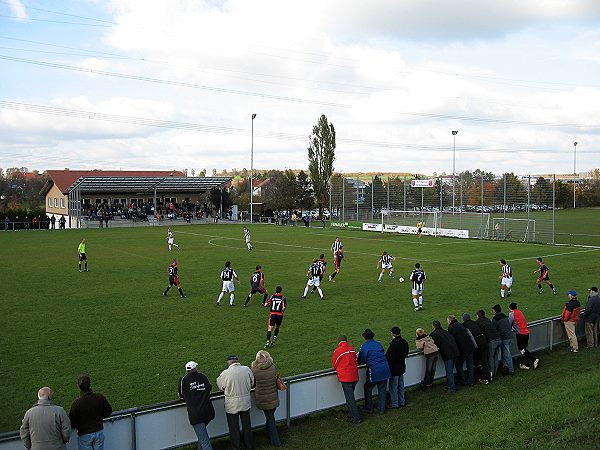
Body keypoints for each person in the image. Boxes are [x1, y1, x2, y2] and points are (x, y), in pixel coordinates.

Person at [216, 355, 254, 450]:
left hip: (232, 405)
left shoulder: (225, 373)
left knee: (234, 429)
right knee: (247, 427)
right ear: (237, 361)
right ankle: (249, 446)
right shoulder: (246, 369)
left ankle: (236, 447)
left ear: (228, 362)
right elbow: (252, 383)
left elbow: (220, 386)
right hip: (245, 402)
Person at [69, 374, 112, 450]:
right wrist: (98, 418)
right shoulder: (99, 397)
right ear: (90, 384)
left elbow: (72, 422)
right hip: (98, 431)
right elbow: (108, 411)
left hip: (84, 434)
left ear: (79, 387)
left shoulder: (76, 404)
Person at [178, 361, 215, 450]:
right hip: (208, 412)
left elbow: (181, 395)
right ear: (195, 368)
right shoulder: (203, 377)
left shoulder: (183, 380)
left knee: (204, 441)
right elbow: (209, 388)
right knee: (202, 438)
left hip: (195, 414)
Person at [251, 351, 282, 446]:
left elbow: (253, 383)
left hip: (262, 398)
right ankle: (271, 436)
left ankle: (275, 440)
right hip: (273, 397)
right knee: (270, 417)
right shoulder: (273, 367)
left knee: (270, 418)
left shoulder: (254, 370)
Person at [357, 329, 391, 414]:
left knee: (367, 388)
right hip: (385, 369)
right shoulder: (378, 344)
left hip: (375, 371)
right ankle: (381, 409)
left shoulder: (365, 346)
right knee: (382, 389)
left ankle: (369, 407)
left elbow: (361, 359)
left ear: (364, 338)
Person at [332, 336, 361, 424]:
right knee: (350, 397)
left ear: (339, 341)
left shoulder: (338, 351)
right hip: (354, 375)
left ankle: (356, 417)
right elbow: (356, 360)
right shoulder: (351, 348)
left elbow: (335, 363)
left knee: (350, 398)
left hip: (346, 377)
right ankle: (351, 414)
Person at [430, 320, 460, 393]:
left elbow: (436, 345)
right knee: (450, 370)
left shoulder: (435, 334)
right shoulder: (445, 331)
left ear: (433, 326)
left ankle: (451, 388)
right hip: (455, 351)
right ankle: (451, 385)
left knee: (449, 371)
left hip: (448, 354)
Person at [508, 303, 539, 370]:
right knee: (523, 349)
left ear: (510, 308)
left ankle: (534, 359)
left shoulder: (511, 314)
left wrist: (512, 329)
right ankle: (526, 364)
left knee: (522, 349)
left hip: (520, 334)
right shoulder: (519, 312)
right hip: (526, 332)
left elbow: (509, 324)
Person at [447, 315, 475, 386]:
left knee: (459, 365)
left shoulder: (451, 327)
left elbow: (452, 340)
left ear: (450, 320)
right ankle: (471, 381)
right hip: (470, 346)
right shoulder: (460, 324)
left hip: (463, 349)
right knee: (470, 365)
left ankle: (463, 381)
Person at [385, 326, 409, 408]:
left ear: (392, 333)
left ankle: (394, 404)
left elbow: (390, 357)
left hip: (394, 368)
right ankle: (402, 401)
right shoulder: (404, 342)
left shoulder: (394, 344)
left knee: (393, 386)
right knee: (401, 385)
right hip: (401, 367)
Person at [462, 313, 489, 382]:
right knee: (484, 361)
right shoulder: (474, 322)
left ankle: (484, 377)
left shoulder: (464, 325)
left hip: (477, 345)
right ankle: (487, 375)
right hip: (484, 342)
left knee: (477, 361)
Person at [476, 309, 501, 382]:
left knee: (490, 358)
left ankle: (492, 374)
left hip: (491, 341)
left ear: (477, 316)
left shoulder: (478, 322)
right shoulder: (488, 319)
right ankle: (495, 373)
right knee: (495, 357)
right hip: (498, 339)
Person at [491, 304, 515, 375]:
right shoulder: (505, 316)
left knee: (507, 353)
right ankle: (505, 367)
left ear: (495, 310)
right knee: (506, 352)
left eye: (492, 310)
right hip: (509, 335)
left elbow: (493, 329)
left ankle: (511, 369)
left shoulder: (495, 319)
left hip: (504, 337)